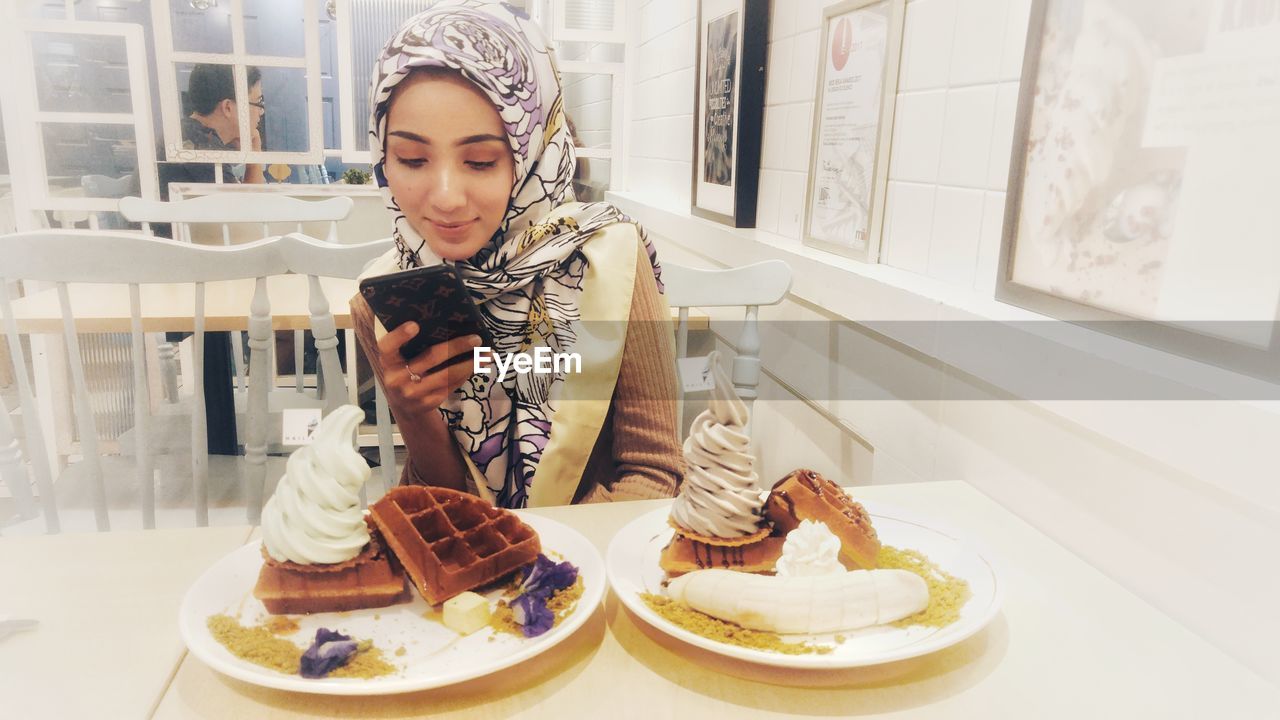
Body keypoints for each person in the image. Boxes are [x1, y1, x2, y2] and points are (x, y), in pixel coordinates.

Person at [351, 0, 682, 508]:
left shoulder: (610, 261)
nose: (445, 197)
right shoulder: (386, 299)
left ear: (531, 154)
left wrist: (556, 565)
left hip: (591, 561)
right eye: (412, 158)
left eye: (480, 161)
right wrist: (412, 413)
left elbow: (654, 472)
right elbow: (441, 500)